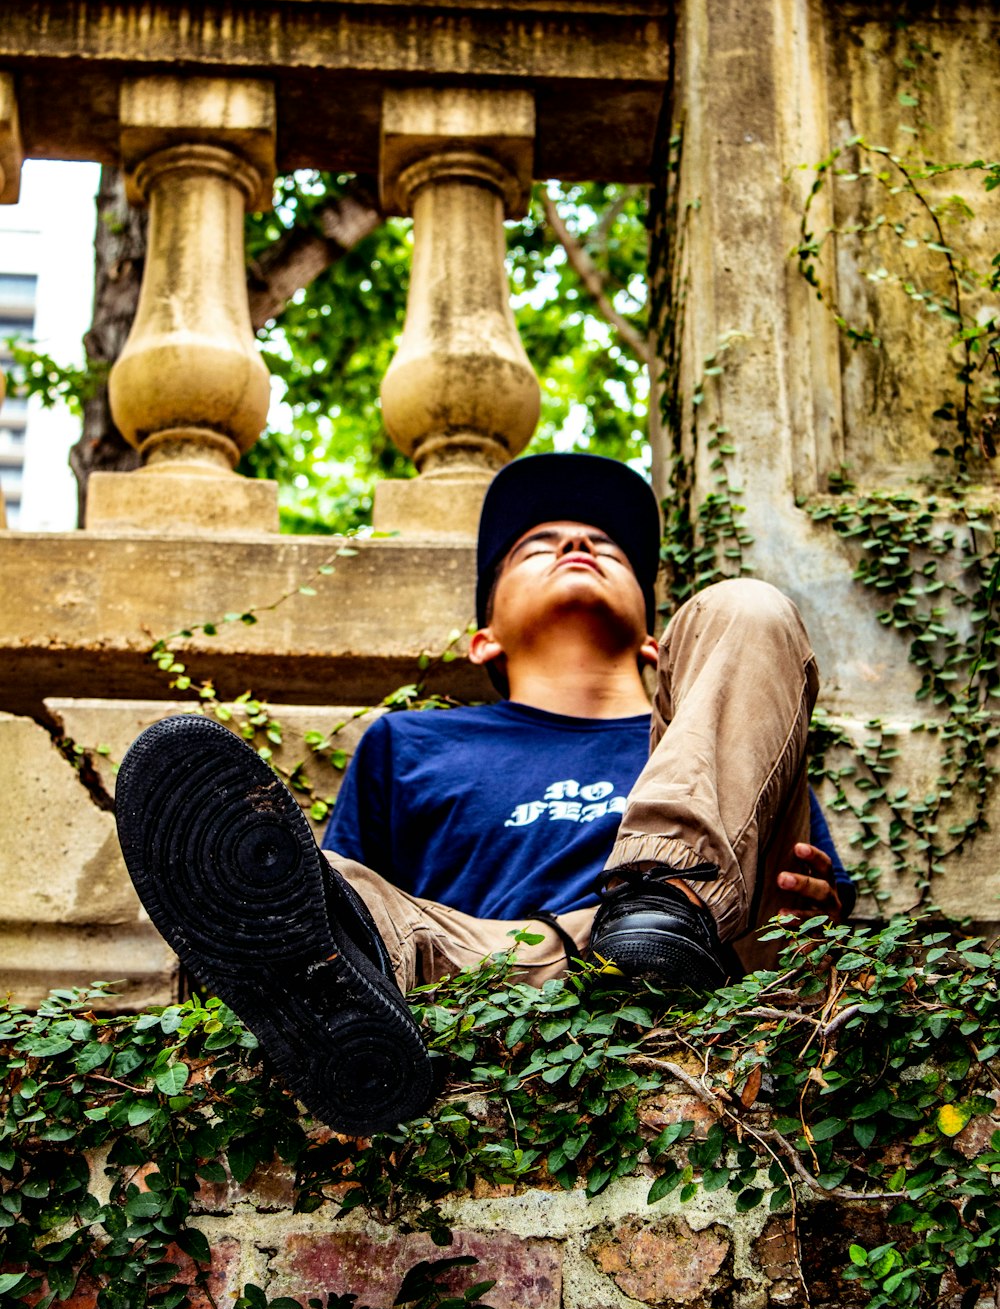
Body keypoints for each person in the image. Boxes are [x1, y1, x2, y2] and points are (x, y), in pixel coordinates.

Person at [115, 454, 853, 1139]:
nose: (578, 546)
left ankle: (659, 910)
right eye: (538, 545)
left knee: (748, 607)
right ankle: (321, 999)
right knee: (332, 892)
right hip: (480, 969)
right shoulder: (411, 744)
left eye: (607, 545)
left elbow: (806, 910)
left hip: (705, 947)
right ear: (483, 641)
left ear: (656, 641)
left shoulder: (715, 720)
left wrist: (805, 917)